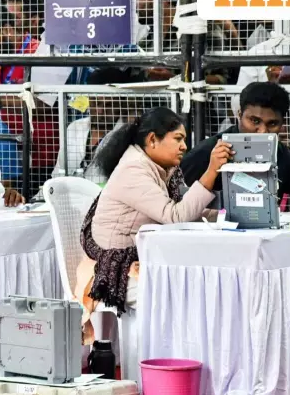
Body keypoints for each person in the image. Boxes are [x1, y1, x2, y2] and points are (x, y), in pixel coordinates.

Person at [75, 107, 229, 343]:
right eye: (178, 139)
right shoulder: (133, 169)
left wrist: (225, 216)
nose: (184, 147)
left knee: (201, 283)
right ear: (152, 140)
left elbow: (187, 208)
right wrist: (211, 171)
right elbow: (176, 216)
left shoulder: (161, 169)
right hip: (115, 271)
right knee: (188, 293)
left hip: (139, 260)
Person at [181, 82, 290, 212]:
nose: (262, 131)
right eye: (254, 121)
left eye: (272, 124)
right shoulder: (208, 152)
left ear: (283, 124)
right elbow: (174, 196)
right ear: (239, 115)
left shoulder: (281, 155)